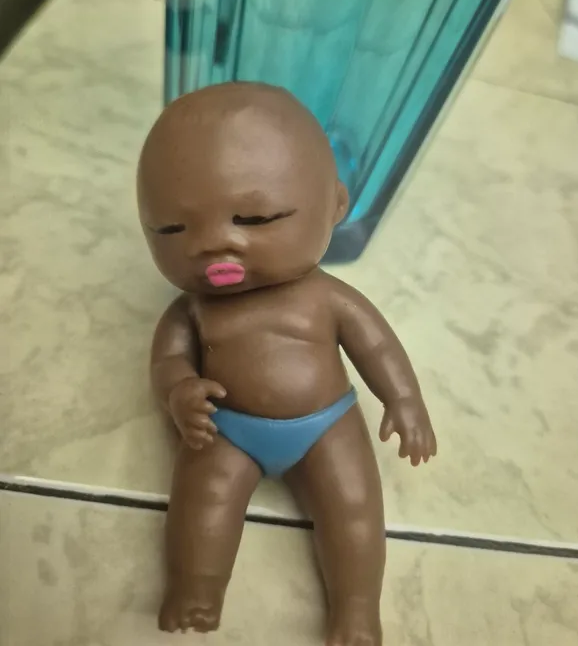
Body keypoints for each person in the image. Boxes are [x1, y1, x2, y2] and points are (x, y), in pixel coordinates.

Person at [137, 82, 437, 645]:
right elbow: (169, 359)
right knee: (202, 507)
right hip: (225, 432)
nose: (214, 244)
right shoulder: (192, 310)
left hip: (327, 425)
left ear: (336, 206)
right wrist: (179, 391)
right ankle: (195, 590)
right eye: (173, 230)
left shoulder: (328, 297)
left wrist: (403, 399)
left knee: (353, 508)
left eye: (254, 218)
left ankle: (356, 610)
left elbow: (377, 346)